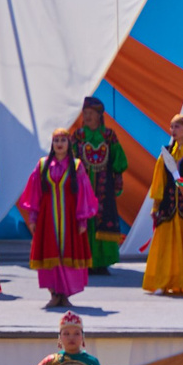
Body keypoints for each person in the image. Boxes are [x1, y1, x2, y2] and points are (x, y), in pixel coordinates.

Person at [17, 129, 95, 309]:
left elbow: (83, 194)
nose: (59, 143)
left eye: (63, 140)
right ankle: (53, 294)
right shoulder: (43, 165)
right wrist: (33, 218)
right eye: (56, 140)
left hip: (70, 220)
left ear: (69, 144)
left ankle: (65, 294)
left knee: (68, 254)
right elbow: (34, 192)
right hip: (47, 220)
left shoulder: (76, 166)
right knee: (49, 255)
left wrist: (82, 220)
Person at [142, 116, 183, 296]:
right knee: (165, 247)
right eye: (172, 126)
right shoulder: (166, 153)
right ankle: (161, 282)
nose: (173, 130)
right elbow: (160, 182)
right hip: (168, 207)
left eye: (178, 126)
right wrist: (155, 207)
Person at [73, 98, 128, 273]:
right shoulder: (78, 136)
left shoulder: (109, 135)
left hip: (104, 185)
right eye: (85, 113)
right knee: (84, 220)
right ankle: (84, 260)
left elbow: (117, 160)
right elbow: (70, 159)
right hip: (83, 185)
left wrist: (117, 180)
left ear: (99, 115)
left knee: (104, 221)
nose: (87, 117)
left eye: (90, 113)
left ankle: (102, 262)